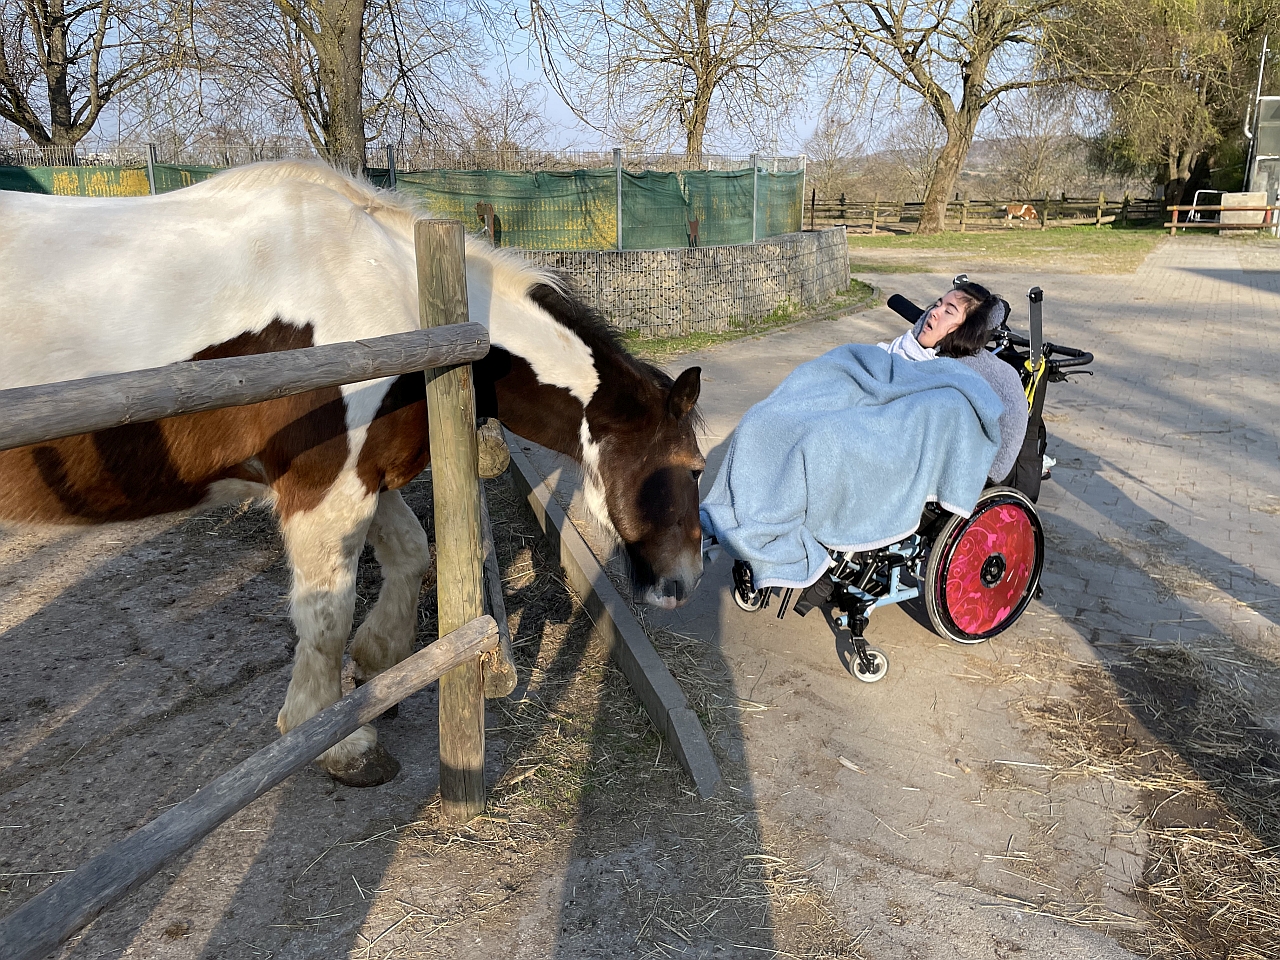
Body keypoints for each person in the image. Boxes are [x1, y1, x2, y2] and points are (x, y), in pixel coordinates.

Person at [878, 280, 1026, 484]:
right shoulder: (899, 349)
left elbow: (1012, 416)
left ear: (965, 329)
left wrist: (988, 476)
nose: (934, 312)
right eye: (937, 304)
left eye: (949, 311)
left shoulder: (964, 376)